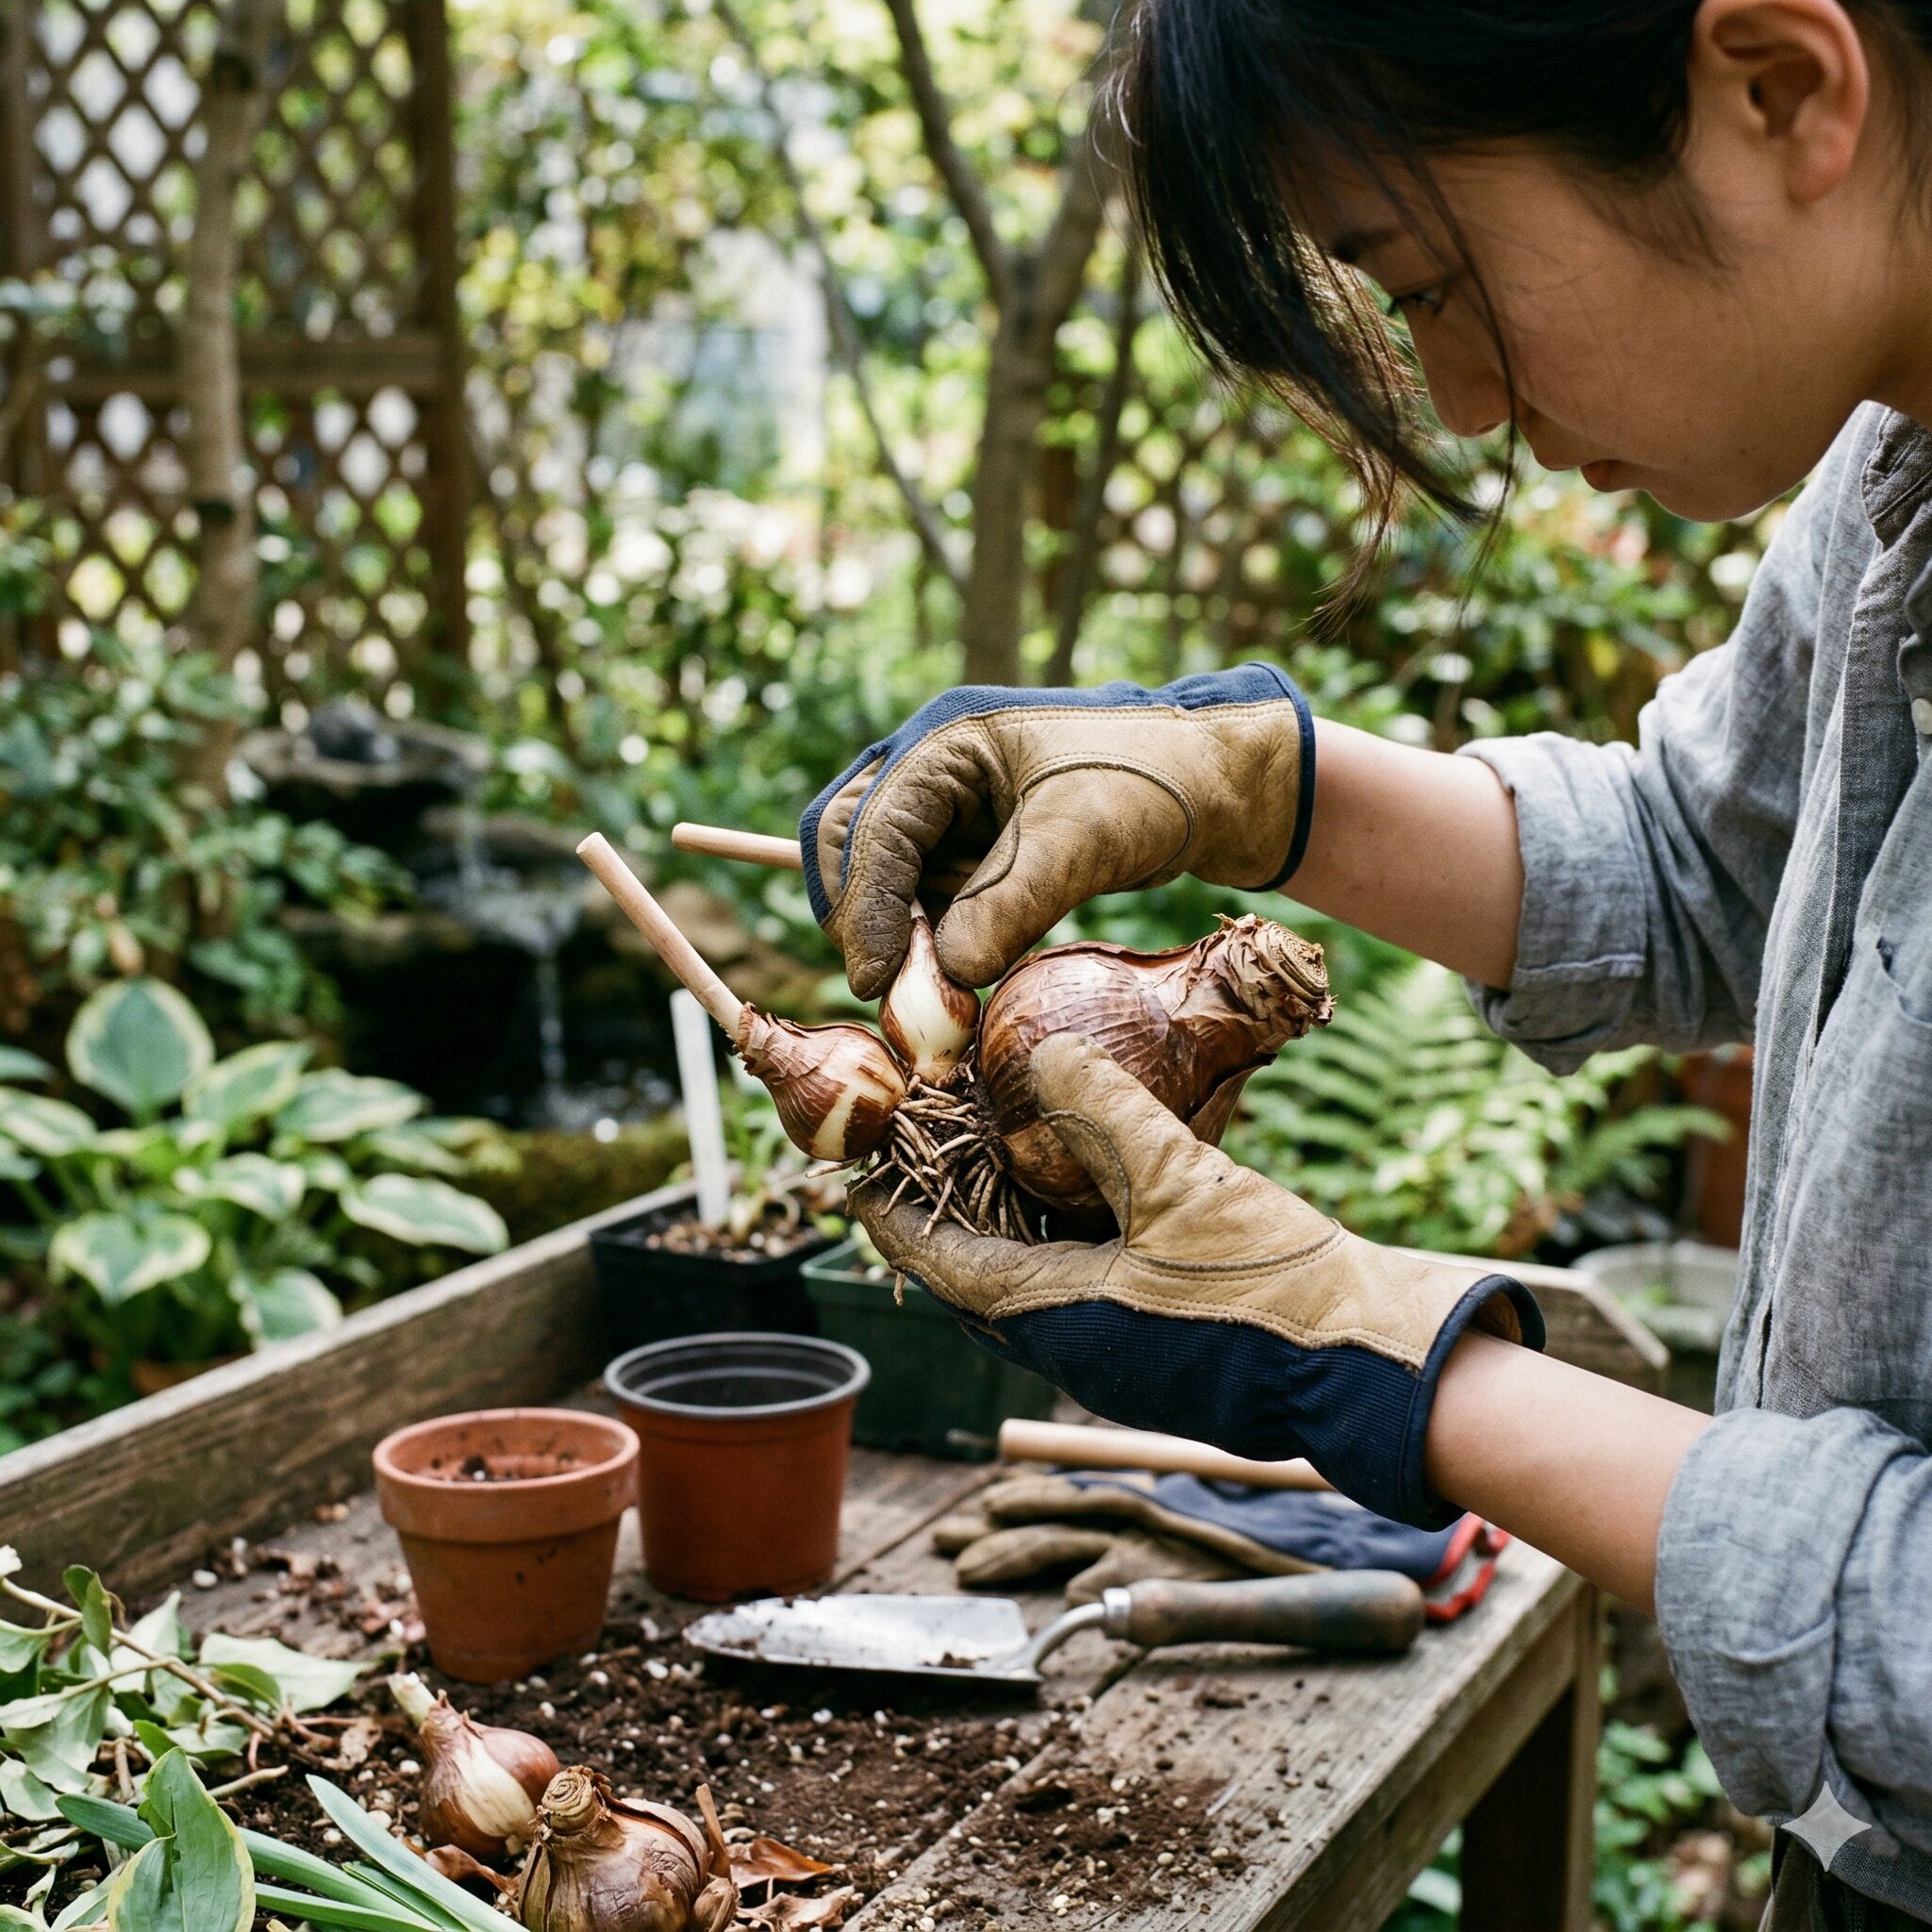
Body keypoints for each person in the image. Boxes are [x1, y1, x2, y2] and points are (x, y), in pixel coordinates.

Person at [801, 4, 1932, 1925]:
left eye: (1432, 282)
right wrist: (1243, 781)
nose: (1465, 400)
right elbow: (1697, 856)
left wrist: (1379, 1349)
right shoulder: (1890, 465)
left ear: (1773, 88)